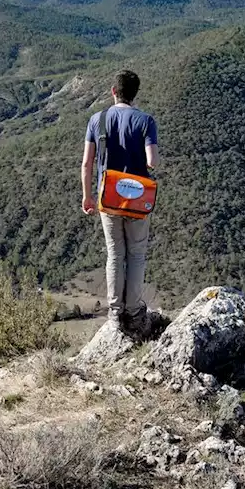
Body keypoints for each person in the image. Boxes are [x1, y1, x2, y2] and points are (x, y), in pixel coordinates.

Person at [81, 70, 159, 325]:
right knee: (136, 254)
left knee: (115, 253)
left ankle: (115, 310)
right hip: (137, 198)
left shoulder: (97, 119)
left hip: (108, 197)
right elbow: (152, 162)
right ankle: (134, 310)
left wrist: (87, 197)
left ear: (113, 91)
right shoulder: (146, 121)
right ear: (135, 93)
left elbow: (86, 163)